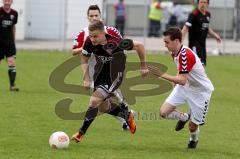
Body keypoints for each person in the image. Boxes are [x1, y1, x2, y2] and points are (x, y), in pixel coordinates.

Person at [71, 20, 149, 143]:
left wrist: (143, 66)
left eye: (95, 36)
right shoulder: (89, 42)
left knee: (94, 100)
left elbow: (140, 46)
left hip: (115, 73)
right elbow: (84, 59)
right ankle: (126, 114)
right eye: (91, 36)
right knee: (103, 107)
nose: (92, 39)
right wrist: (86, 77)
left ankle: (81, 133)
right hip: (100, 73)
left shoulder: (116, 42)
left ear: (103, 33)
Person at [148, 27, 214, 149]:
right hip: (185, 86)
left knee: (192, 127)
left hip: (201, 92)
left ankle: (193, 141)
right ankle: (184, 116)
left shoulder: (185, 54)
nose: (165, 45)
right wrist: (176, 80)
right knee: (163, 112)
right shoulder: (174, 53)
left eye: (167, 42)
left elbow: (182, 80)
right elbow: (182, 75)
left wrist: (162, 74)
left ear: (177, 41)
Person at [72, 5, 130, 131]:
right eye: (91, 15)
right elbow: (73, 52)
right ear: (87, 17)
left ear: (100, 16)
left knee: (112, 95)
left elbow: (121, 48)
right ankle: (125, 115)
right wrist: (87, 46)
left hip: (110, 70)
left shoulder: (111, 31)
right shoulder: (83, 34)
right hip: (93, 72)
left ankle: (126, 117)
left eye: (96, 15)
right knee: (103, 106)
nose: (93, 18)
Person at [182, 0, 221, 66]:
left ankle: (186, 76)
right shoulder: (194, 14)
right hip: (194, 45)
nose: (203, 4)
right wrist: (180, 40)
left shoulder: (208, 14)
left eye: (204, 2)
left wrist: (215, 35)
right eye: (201, 2)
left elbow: (207, 27)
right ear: (198, 3)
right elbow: (185, 28)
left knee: (202, 66)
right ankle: (183, 76)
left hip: (202, 45)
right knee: (197, 66)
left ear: (207, 4)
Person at [0, 0, 19, 91]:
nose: (7, 3)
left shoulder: (14, 13)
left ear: (11, 2)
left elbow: (13, 26)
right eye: (5, 1)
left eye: (9, 1)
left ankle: (12, 86)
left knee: (11, 62)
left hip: (10, 43)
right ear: (3, 1)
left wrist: (13, 40)